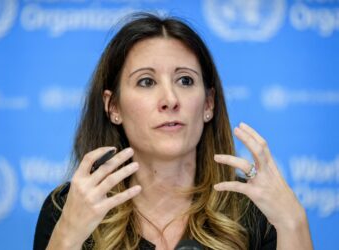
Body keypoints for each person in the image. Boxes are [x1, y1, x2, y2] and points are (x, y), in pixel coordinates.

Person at [34, 13, 313, 250]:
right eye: (146, 81)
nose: (170, 98)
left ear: (208, 103)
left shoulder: (254, 212)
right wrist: (67, 237)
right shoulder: (68, 207)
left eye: (185, 80)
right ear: (113, 107)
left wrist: (293, 222)